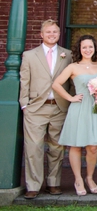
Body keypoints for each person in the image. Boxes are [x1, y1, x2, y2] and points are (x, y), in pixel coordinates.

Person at [19, 20, 71, 199]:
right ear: (41, 34)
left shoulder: (67, 54)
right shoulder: (30, 55)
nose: (51, 34)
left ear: (59, 34)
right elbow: (24, 80)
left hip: (58, 107)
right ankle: (33, 185)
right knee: (34, 147)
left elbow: (70, 82)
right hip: (36, 107)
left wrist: (69, 102)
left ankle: (53, 183)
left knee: (57, 147)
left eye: (55, 32)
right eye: (48, 32)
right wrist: (24, 104)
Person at [52, 35, 97, 196]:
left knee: (93, 146)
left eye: (90, 47)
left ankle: (90, 177)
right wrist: (71, 98)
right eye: (84, 47)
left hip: (94, 108)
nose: (88, 50)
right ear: (79, 49)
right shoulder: (73, 67)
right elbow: (56, 84)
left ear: (94, 48)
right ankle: (78, 179)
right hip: (79, 107)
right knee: (75, 145)